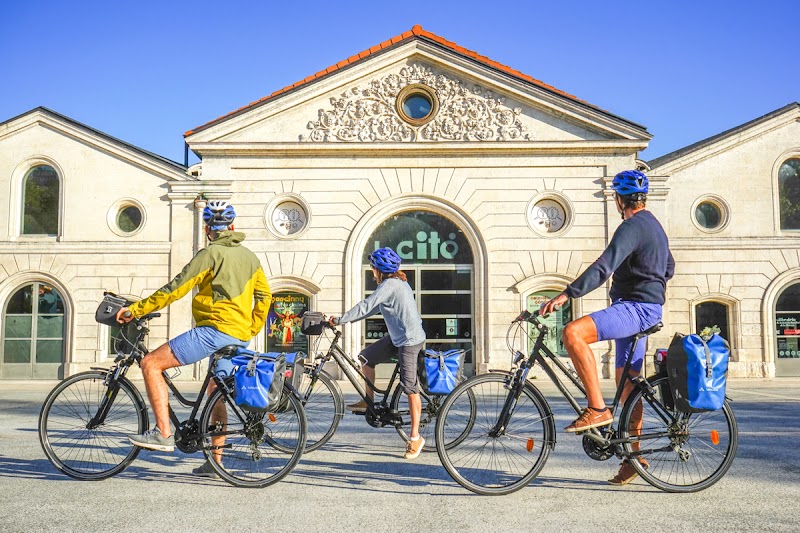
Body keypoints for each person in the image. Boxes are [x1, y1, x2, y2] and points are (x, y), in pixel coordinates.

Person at [116, 200, 271, 476]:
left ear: (208, 229)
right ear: (233, 228)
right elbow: (265, 297)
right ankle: (216, 463)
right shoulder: (251, 258)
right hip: (239, 336)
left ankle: (163, 433)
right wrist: (251, 328)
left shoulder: (209, 254)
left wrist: (136, 309)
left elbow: (176, 289)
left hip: (213, 332)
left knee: (151, 363)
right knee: (216, 393)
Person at [539, 169, 674, 485]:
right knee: (629, 387)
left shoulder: (632, 226)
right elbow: (669, 267)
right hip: (646, 308)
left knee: (573, 333)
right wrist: (651, 284)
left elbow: (604, 266)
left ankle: (597, 408)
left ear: (618, 200)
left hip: (635, 309)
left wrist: (566, 294)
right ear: (642, 198)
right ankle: (633, 459)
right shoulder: (655, 227)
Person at [328, 247, 427, 460]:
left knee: (410, 387)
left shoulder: (391, 284)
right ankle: (368, 400)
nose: (371, 271)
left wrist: (339, 320)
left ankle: (415, 438)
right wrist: (346, 319)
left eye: (372, 267)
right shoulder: (396, 283)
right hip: (397, 338)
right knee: (366, 358)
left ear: (379, 269)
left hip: (409, 342)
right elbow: (372, 309)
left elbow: (367, 305)